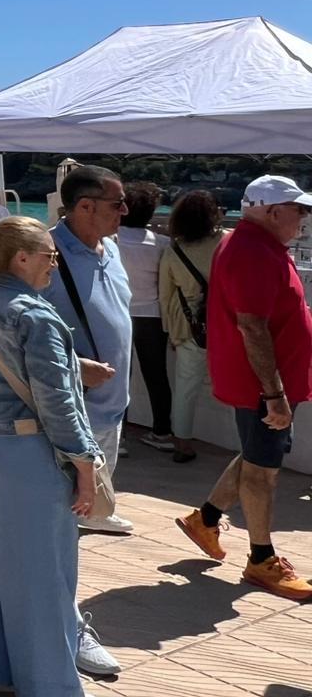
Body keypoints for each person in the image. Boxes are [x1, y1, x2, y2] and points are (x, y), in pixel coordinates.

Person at [0, 216, 102, 697]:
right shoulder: (35, 315)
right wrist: (85, 464)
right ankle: (49, 685)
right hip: (24, 449)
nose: (54, 265)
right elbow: (56, 401)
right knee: (43, 574)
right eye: (49, 256)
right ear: (22, 258)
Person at [176, 175, 312, 601]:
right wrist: (274, 394)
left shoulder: (255, 244)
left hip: (267, 381)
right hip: (263, 385)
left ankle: (206, 519)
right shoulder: (252, 250)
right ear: (273, 211)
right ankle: (261, 559)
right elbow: (252, 326)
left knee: (257, 453)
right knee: (262, 472)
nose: (304, 219)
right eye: (299, 210)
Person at [38, 166, 130, 678]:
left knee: (74, 527)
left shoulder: (110, 250)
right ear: (84, 206)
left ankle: (59, 623)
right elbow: (11, 328)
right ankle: (67, 631)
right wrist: (75, 367)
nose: (125, 212)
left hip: (108, 413)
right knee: (60, 532)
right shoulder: (44, 253)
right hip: (69, 418)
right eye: (117, 203)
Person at [158, 189, 227, 463]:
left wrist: (171, 333)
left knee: (186, 389)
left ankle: (182, 444)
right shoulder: (227, 241)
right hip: (228, 323)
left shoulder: (174, 250)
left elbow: (165, 296)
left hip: (191, 326)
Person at [118, 182, 174, 452]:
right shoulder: (162, 244)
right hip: (153, 314)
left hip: (119, 312)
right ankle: (162, 431)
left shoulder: (110, 240)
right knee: (157, 375)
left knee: (119, 377)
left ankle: (119, 436)